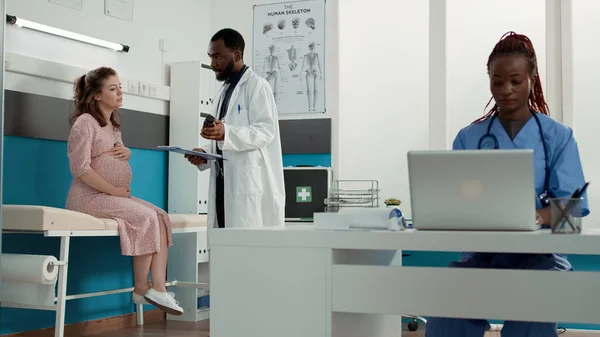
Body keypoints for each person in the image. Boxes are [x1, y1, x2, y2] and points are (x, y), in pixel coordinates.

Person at [425, 32, 589, 337]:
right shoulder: (469, 138)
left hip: (541, 258)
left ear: (532, 79)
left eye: (515, 80)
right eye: (497, 82)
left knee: (530, 322)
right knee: (447, 318)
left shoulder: (558, 137)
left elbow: (573, 210)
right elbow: (455, 203)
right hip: (481, 256)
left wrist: (538, 217)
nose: (506, 90)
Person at [65, 66, 183, 315]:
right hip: (88, 198)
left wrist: (126, 152)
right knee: (145, 216)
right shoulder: (84, 123)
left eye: (120, 87)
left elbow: (113, 151)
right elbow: (80, 169)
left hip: (110, 195)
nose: (120, 92)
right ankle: (141, 289)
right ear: (97, 95)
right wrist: (114, 191)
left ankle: (158, 288)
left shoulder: (113, 124)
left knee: (160, 215)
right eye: (112, 88)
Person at [185, 28, 285, 229]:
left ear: (237, 55)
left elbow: (265, 131)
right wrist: (206, 153)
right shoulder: (224, 90)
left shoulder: (257, 86)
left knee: (247, 250)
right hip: (224, 186)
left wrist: (226, 132)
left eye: (218, 57)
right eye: (211, 57)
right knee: (223, 247)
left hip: (248, 185)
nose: (213, 64)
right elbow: (226, 136)